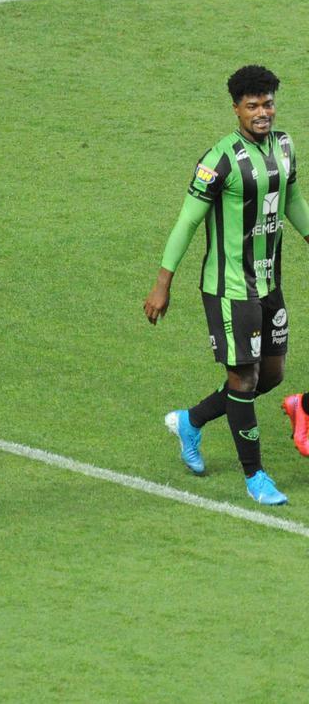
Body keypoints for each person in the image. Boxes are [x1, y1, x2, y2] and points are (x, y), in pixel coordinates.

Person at [144, 64, 309, 505]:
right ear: (235, 108)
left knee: (270, 376)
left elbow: (292, 200)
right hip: (229, 287)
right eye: (252, 106)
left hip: (269, 282)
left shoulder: (286, 147)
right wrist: (163, 284)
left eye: (268, 104)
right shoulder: (218, 160)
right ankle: (255, 476)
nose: (262, 113)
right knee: (243, 377)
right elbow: (187, 222)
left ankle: (191, 420)